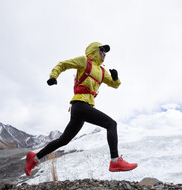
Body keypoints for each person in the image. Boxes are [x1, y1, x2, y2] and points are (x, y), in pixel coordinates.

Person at [25, 42, 137, 176]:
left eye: (105, 53)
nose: (104, 55)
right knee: (111, 124)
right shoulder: (85, 61)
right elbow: (63, 64)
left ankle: (34, 158)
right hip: (79, 105)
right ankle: (115, 161)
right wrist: (53, 76)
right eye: (102, 51)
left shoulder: (102, 71)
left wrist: (115, 78)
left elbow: (115, 85)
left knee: (64, 140)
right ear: (95, 51)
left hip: (83, 108)